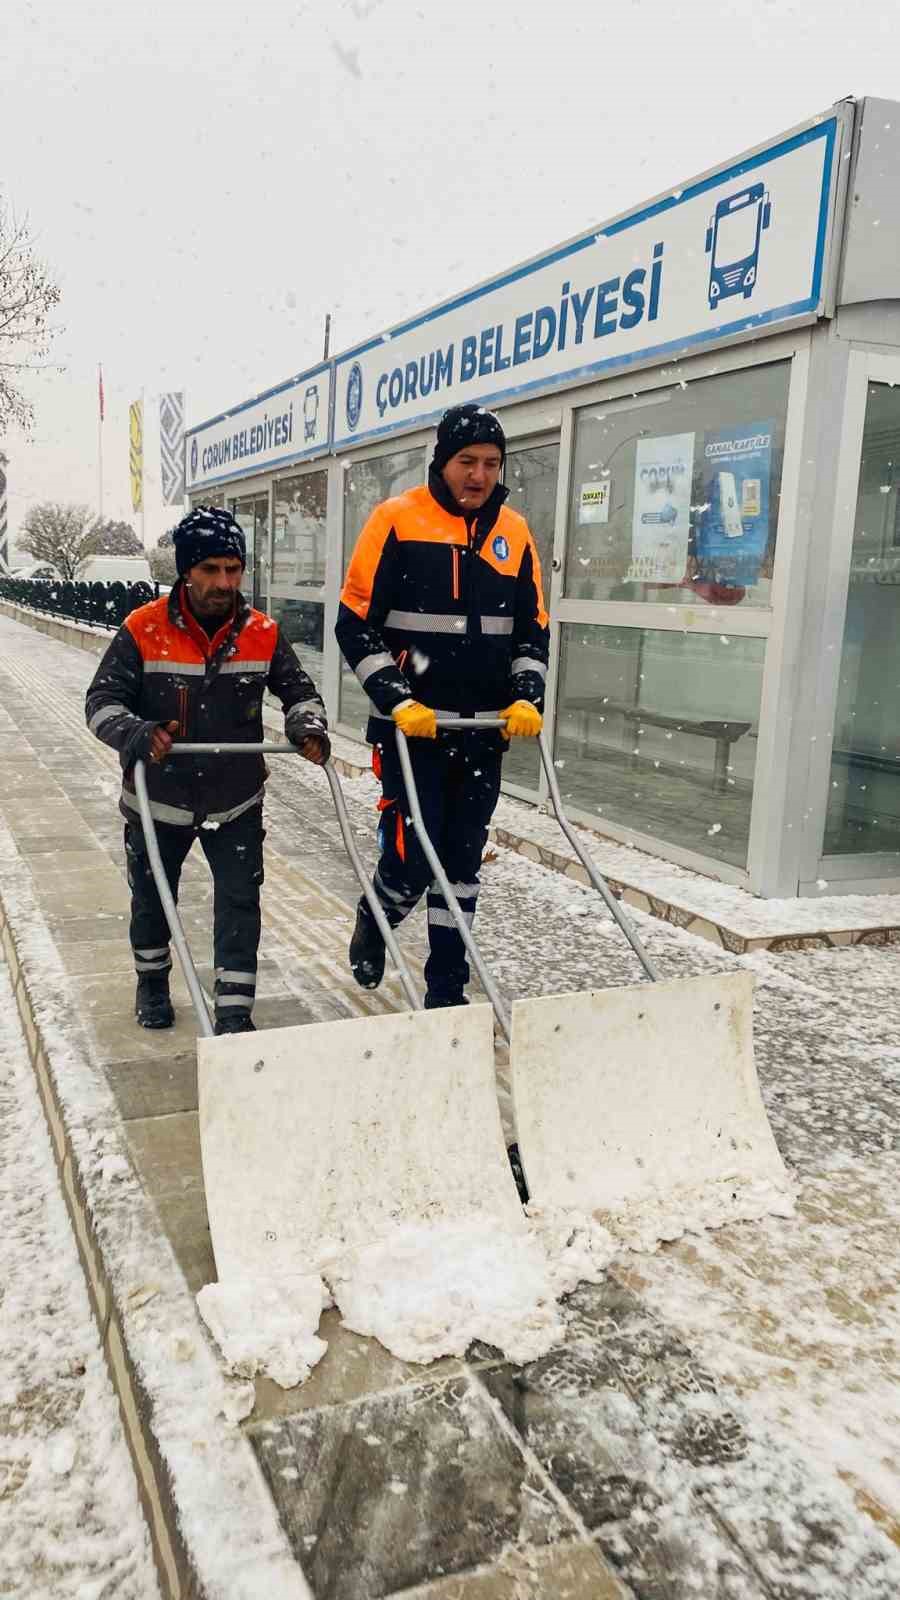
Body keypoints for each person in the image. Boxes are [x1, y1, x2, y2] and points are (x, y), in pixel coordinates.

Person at [335, 402, 549, 1009]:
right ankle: (377, 916)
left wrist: (525, 694)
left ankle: (447, 990)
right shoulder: (396, 521)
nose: (478, 475)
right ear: (442, 461)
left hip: (482, 731)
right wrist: (398, 699)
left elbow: (533, 629)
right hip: (412, 731)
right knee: (413, 857)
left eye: (490, 463)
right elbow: (354, 625)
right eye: (466, 462)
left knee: (460, 861)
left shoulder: (515, 533)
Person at [85, 506, 329, 1035]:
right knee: (152, 897)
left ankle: (235, 1008)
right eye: (211, 570)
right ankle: (151, 982)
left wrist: (307, 725)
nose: (224, 583)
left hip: (235, 797)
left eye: (233, 570)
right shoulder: (142, 628)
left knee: (240, 901)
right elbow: (101, 703)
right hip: (158, 796)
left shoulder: (262, 632)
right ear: (186, 571)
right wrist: (137, 733)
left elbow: (299, 691)